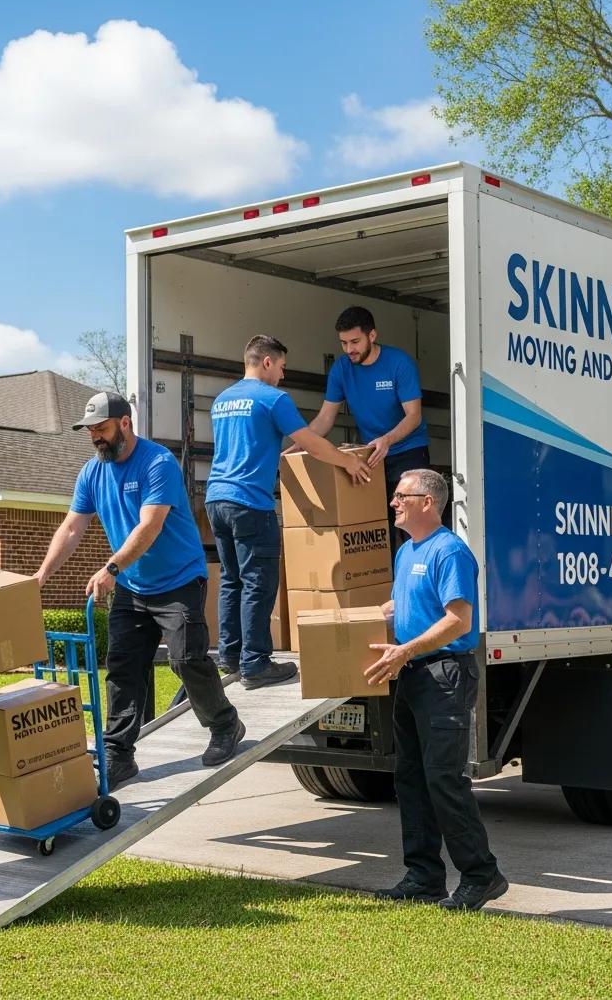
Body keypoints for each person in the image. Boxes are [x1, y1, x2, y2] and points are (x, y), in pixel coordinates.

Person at [35, 391, 242, 792]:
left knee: (185, 660)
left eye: (101, 428)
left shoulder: (157, 463)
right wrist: (40, 576)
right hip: (132, 587)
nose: (95, 436)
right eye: (90, 430)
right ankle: (119, 754)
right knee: (124, 669)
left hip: (179, 580)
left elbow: (150, 526)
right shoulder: (91, 473)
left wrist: (111, 568)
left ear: (124, 424)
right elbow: (72, 528)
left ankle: (224, 724)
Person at [365, 468, 508, 911]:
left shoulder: (451, 552)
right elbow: (405, 604)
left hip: (444, 675)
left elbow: (458, 621)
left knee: (444, 779)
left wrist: (405, 649)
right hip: (411, 674)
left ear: (428, 502)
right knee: (411, 779)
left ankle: (481, 875)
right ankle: (424, 875)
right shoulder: (407, 552)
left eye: (401, 496)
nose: (393, 503)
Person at [205, 334, 372, 687]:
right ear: (267, 362)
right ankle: (256, 664)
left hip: (216, 500)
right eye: (281, 367)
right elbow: (310, 442)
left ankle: (231, 656)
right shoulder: (272, 398)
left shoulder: (222, 400)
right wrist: (347, 462)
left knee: (232, 581)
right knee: (258, 583)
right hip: (250, 502)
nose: (283, 375)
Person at [308, 306, 430, 552]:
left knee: (413, 527)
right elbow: (324, 418)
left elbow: (414, 416)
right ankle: (386, 588)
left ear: (372, 336)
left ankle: (420, 585)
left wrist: (387, 440)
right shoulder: (341, 369)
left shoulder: (399, 363)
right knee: (379, 529)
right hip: (372, 458)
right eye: (343, 343)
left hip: (408, 452)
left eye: (355, 341)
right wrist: (301, 444)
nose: (349, 349)